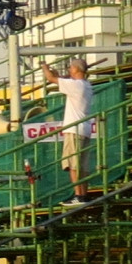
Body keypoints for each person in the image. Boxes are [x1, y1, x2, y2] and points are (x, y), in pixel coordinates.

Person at [41, 58, 94, 204]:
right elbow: (63, 80)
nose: (69, 70)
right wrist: (59, 75)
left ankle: (78, 195)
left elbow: (51, 79)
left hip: (74, 130)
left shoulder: (76, 85)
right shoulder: (86, 85)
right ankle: (83, 194)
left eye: (71, 67)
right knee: (82, 165)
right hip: (85, 129)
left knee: (73, 164)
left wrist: (44, 67)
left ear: (76, 69)